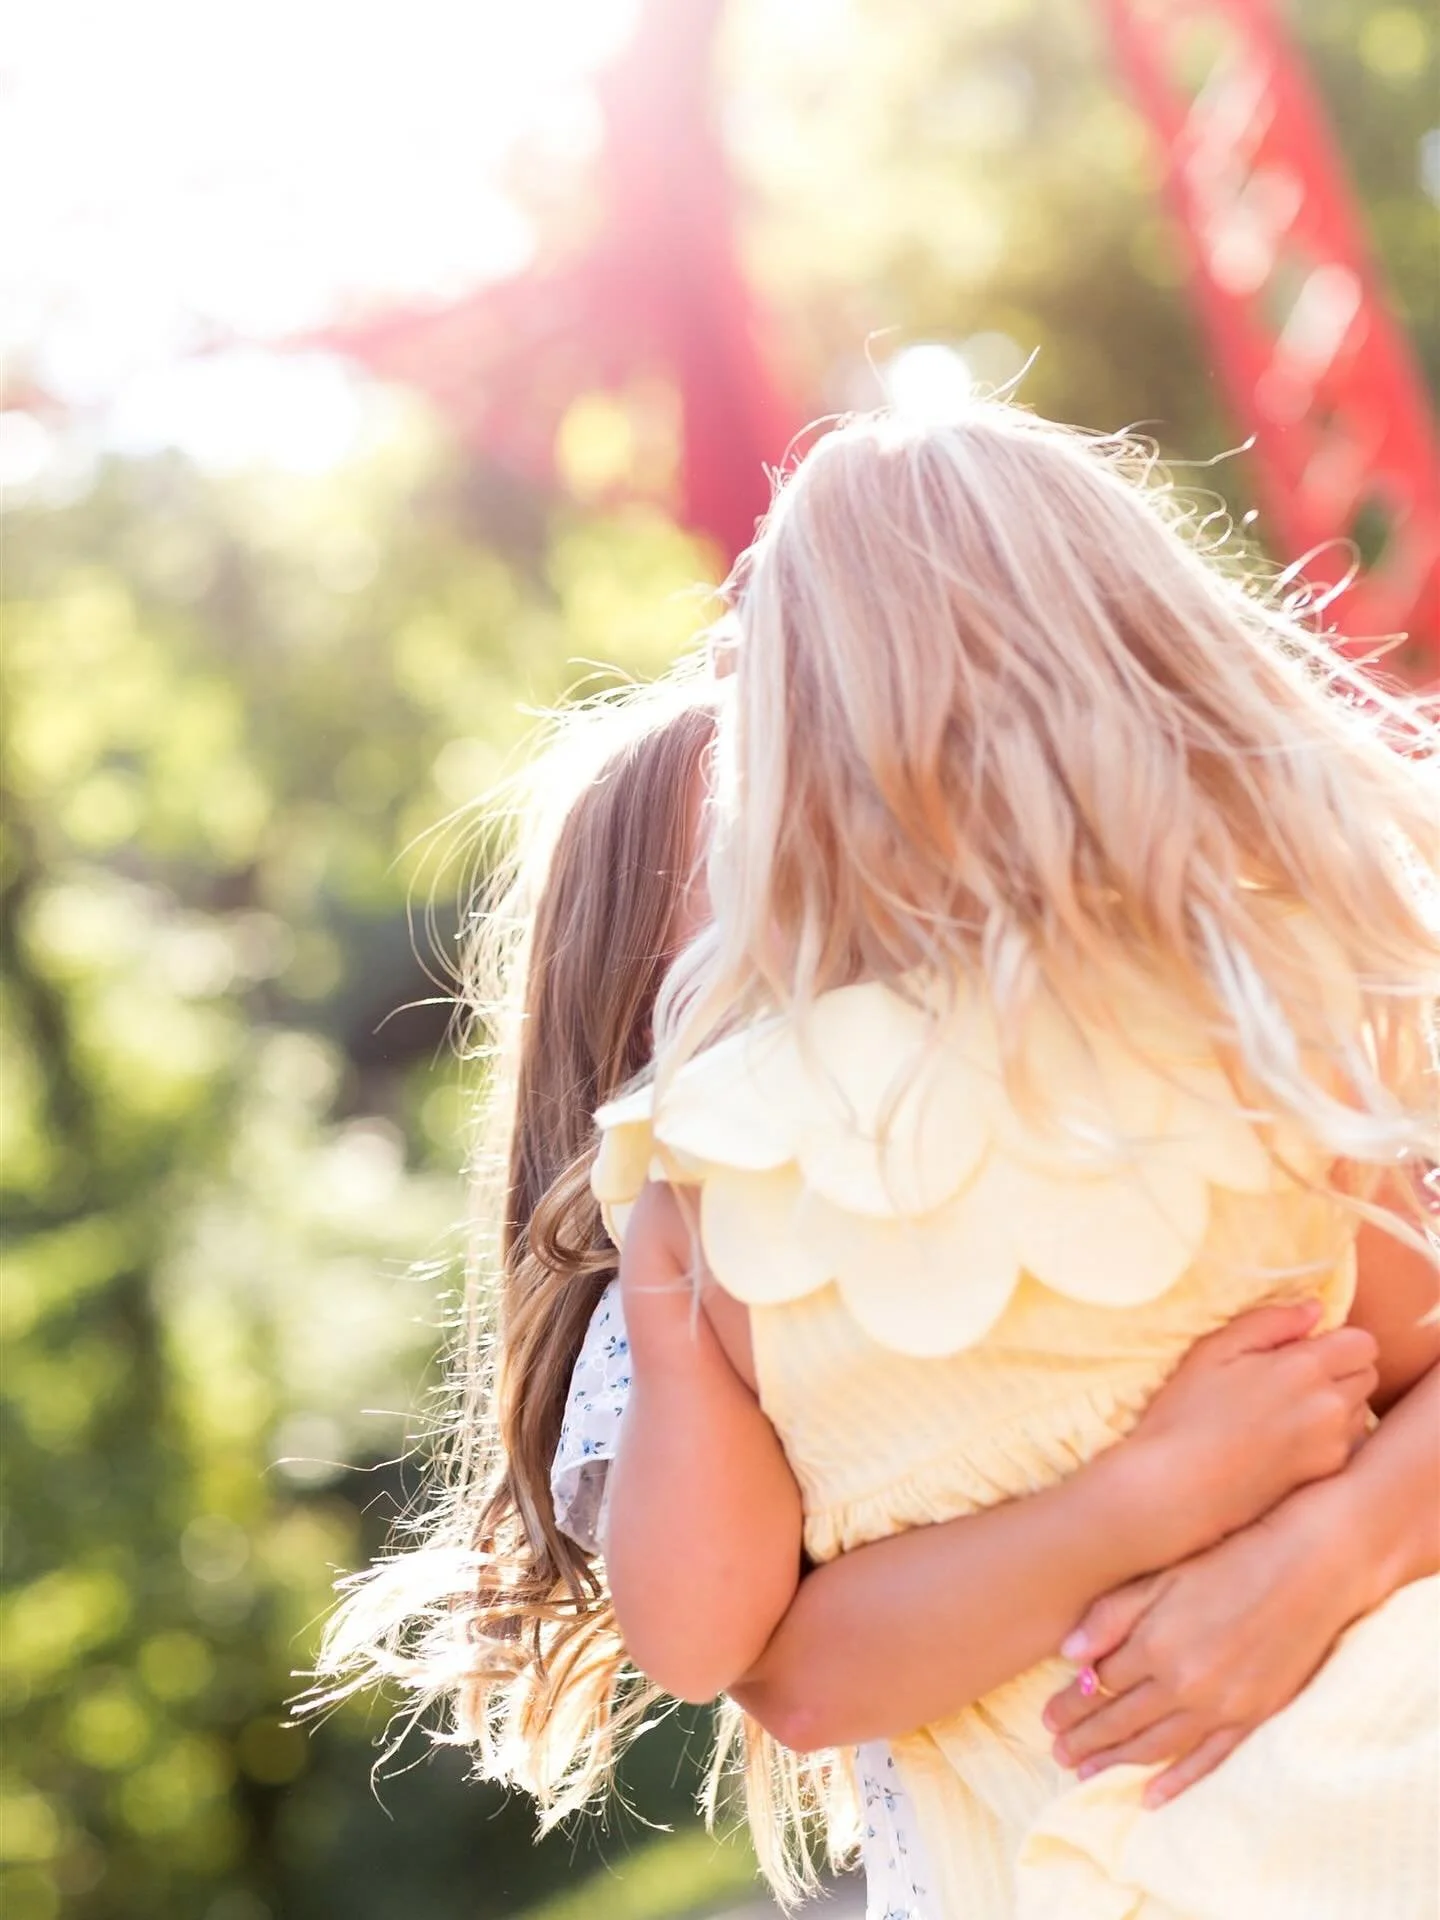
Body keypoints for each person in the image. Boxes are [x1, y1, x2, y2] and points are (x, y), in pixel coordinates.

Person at [307, 644, 1428, 1916]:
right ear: (641, 1005)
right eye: (776, 869)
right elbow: (727, 1650)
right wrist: (1138, 1500)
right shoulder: (694, 1292)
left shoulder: (1119, 1111)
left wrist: (1332, 1531)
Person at [593, 403, 1440, 1917]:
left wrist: (669, 1333)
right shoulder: (1246, 1027)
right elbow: (1401, 1348)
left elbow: (711, 1643)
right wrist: (1206, 1499)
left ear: (783, 748)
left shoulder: (719, 1170)